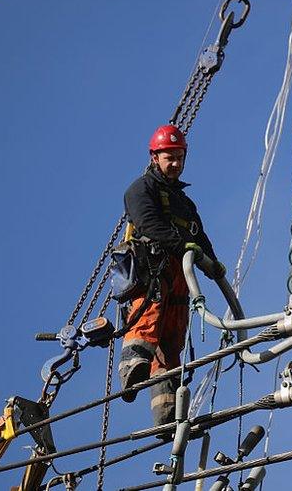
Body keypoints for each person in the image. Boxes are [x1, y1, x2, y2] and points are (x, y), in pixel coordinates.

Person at [119, 124, 227, 425]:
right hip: (153, 269)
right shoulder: (141, 189)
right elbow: (149, 224)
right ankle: (132, 371)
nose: (176, 164)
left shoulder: (185, 201)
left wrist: (213, 264)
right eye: (170, 158)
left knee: (172, 340)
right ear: (155, 157)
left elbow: (198, 235)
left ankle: (166, 415)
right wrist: (183, 246)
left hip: (180, 273)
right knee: (148, 318)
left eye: (180, 157)